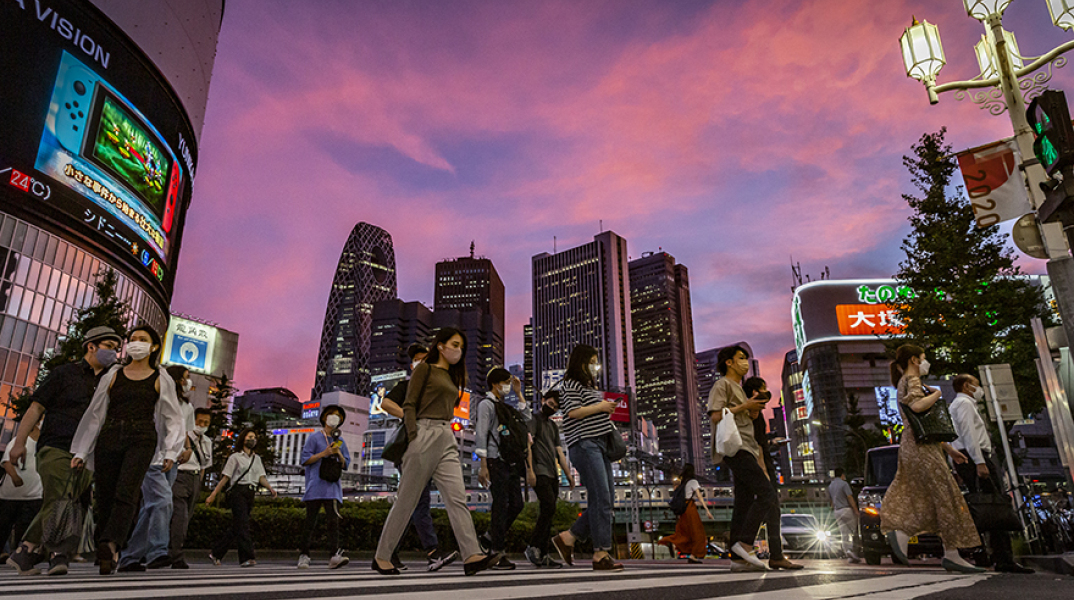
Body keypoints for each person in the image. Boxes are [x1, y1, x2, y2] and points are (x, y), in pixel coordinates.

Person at [372, 327, 498, 576]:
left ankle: (472, 554)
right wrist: (414, 434)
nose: (458, 350)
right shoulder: (425, 369)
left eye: (461, 346)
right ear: (440, 346)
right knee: (407, 500)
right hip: (423, 432)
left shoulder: (452, 376)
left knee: (456, 496)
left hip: (446, 435)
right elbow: (408, 404)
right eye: (454, 344)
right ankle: (382, 556)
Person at [6, 326, 121, 576]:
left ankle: (26, 550)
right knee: (60, 496)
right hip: (57, 445)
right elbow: (36, 408)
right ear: (91, 346)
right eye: (109, 346)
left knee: (69, 501)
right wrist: (18, 443)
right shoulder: (63, 374)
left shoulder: (111, 381)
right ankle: (58, 554)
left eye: (116, 348)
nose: (114, 352)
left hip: (89, 452)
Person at [70, 325, 185, 575]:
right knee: (105, 494)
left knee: (127, 492)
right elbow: (95, 414)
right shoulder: (113, 374)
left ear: (154, 347)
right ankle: (108, 549)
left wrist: (170, 452)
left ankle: (110, 543)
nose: (136, 343)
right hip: (109, 436)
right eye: (132, 339)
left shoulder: (160, 377)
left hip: (142, 438)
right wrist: (81, 451)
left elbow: (173, 418)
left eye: (143, 340)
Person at [880, 345, 984, 574]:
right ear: (915, 360)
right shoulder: (913, 379)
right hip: (922, 447)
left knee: (927, 495)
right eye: (924, 358)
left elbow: (922, 425)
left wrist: (948, 449)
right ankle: (950, 553)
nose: (926, 363)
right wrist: (937, 394)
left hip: (915, 444)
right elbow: (917, 407)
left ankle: (908, 534)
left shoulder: (903, 382)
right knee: (946, 495)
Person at [379, 343, 457, 572]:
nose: (421, 362)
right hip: (412, 450)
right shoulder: (407, 385)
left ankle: (389, 551)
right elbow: (385, 403)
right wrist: (410, 415)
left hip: (433, 449)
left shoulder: (436, 388)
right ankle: (433, 552)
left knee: (410, 502)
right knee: (419, 502)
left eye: (425, 358)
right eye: (417, 359)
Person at [949, 373, 1034, 574]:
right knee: (996, 506)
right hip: (975, 457)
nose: (980, 389)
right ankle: (1002, 557)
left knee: (983, 506)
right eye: (976, 385)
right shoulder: (964, 404)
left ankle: (988, 553)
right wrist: (979, 462)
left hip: (967, 457)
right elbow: (969, 434)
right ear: (966, 385)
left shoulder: (959, 405)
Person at [550, 344, 624, 571]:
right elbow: (572, 412)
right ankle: (600, 553)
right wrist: (601, 406)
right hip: (584, 443)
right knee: (601, 496)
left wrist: (604, 408)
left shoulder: (588, 385)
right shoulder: (570, 384)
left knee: (607, 498)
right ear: (581, 362)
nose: (595, 365)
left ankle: (569, 537)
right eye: (591, 361)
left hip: (599, 443)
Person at [117, 365, 194, 571]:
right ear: (176, 379)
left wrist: (187, 448)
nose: (189, 382)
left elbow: (182, 429)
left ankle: (130, 557)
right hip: (152, 457)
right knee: (162, 500)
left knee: (151, 507)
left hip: (173, 459)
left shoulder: (187, 406)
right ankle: (157, 551)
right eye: (186, 378)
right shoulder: (155, 396)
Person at [707, 345, 776, 572]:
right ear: (729, 362)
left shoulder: (738, 388)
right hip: (734, 448)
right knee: (766, 492)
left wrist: (752, 409)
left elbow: (744, 419)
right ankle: (745, 543)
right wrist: (744, 406)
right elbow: (716, 415)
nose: (745, 362)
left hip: (746, 447)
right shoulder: (722, 385)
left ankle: (737, 560)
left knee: (744, 502)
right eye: (741, 358)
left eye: (746, 358)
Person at [475, 367, 533, 570]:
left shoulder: (503, 406)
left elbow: (526, 418)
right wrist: (483, 465)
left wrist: (519, 393)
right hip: (494, 460)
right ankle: (497, 553)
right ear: (495, 384)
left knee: (517, 504)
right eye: (506, 382)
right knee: (500, 506)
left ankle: (490, 537)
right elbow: (481, 433)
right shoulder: (486, 405)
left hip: (510, 461)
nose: (508, 385)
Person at [743, 376, 801, 570]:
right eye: (763, 390)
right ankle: (745, 545)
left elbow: (761, 443)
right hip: (760, 464)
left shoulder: (754, 414)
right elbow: (757, 446)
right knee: (769, 505)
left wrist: (772, 442)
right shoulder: (753, 415)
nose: (767, 394)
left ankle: (773, 554)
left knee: (770, 509)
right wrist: (765, 471)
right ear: (754, 393)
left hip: (758, 462)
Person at [206, 428, 277, 567]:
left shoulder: (257, 459)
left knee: (238, 526)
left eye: (254, 437)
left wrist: (270, 488)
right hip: (238, 492)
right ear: (243, 439)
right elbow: (225, 478)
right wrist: (213, 495)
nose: (252, 439)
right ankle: (246, 557)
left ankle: (216, 553)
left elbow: (261, 477)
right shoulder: (235, 457)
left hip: (250, 493)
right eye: (249, 437)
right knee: (243, 524)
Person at [297, 405, 351, 570]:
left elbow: (346, 464)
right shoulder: (315, 438)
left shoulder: (340, 441)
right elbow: (304, 460)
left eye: (338, 416)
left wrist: (339, 454)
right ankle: (304, 554)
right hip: (315, 486)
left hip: (332, 488)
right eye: (331, 415)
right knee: (310, 522)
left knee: (332, 522)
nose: (334, 418)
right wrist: (323, 454)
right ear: (324, 418)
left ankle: (334, 554)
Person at [524, 389, 572, 568]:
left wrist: (568, 474)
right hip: (539, 470)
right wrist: (530, 471)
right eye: (550, 404)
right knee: (548, 506)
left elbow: (559, 451)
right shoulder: (533, 419)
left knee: (549, 511)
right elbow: (528, 445)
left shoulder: (552, 426)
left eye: (556, 407)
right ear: (543, 400)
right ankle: (533, 546)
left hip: (553, 473)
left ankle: (543, 554)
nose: (552, 408)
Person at [168, 407, 212, 569]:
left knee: (186, 518)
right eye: (199, 421)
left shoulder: (207, 441)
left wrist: (198, 484)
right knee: (180, 516)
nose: (202, 425)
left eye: (206, 423)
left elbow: (204, 466)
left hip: (194, 479)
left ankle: (171, 550)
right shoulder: (183, 437)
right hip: (179, 476)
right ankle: (176, 555)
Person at [0, 416, 43, 563]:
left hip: (34, 494)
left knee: (25, 528)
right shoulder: (20, 441)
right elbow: (6, 461)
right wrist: (15, 477)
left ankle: (19, 554)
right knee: (4, 524)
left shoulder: (44, 445)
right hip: (12, 495)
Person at [658, 464, 713, 563]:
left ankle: (669, 540)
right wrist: (707, 510)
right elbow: (699, 496)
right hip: (690, 508)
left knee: (684, 532)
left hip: (684, 510)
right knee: (698, 532)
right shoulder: (693, 482)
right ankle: (693, 555)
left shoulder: (684, 483)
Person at [828, 468, 860, 563]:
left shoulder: (831, 485)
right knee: (854, 530)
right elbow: (849, 497)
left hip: (837, 511)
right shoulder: (844, 484)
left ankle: (847, 553)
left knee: (844, 533)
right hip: (846, 509)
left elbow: (831, 501)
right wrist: (855, 510)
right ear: (842, 475)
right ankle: (853, 551)